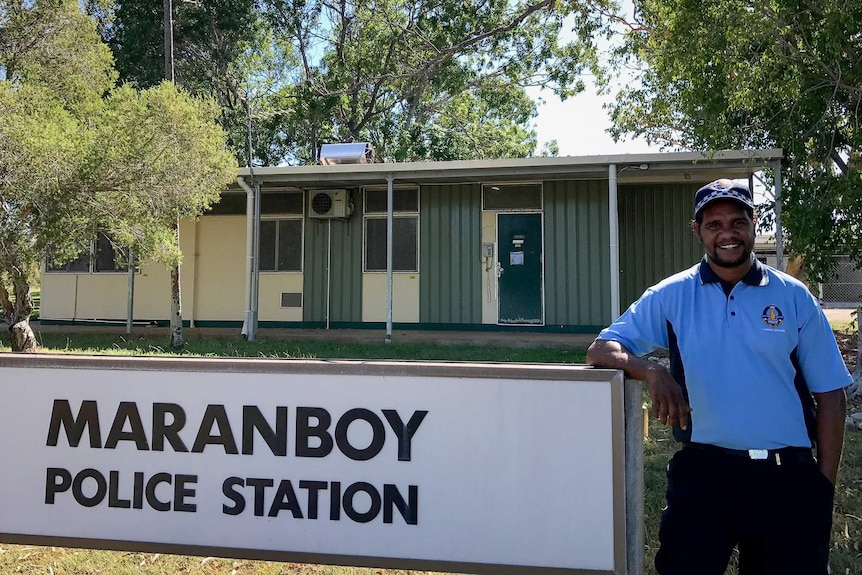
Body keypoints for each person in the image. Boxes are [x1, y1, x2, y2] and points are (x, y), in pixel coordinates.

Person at [586, 178, 851, 575]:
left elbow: (831, 395)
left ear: (753, 224)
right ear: (698, 231)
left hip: (786, 476)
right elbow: (601, 349)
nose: (727, 234)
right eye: (714, 225)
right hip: (704, 473)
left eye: (737, 222)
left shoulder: (794, 297)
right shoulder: (672, 294)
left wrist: (822, 486)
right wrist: (651, 370)